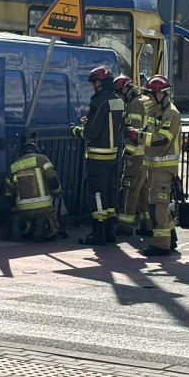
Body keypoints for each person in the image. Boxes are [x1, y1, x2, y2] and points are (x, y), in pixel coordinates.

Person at [71, 65, 123, 245]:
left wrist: (76, 130)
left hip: (97, 157)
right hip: (113, 156)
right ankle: (110, 231)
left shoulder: (98, 102)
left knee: (97, 195)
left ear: (100, 83)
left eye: (94, 82)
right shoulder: (117, 101)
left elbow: (90, 132)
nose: (93, 86)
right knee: (109, 193)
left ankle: (98, 233)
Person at [133, 75, 180, 256]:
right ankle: (170, 238)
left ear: (162, 94)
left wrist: (138, 136)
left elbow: (162, 140)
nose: (149, 98)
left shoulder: (171, 114)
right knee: (158, 204)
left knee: (158, 205)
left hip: (164, 168)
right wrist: (138, 132)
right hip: (154, 166)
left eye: (152, 94)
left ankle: (161, 245)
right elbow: (149, 132)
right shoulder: (154, 111)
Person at [5, 141, 63, 242]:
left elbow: (9, 193)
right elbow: (53, 181)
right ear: (36, 150)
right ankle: (45, 224)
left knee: (28, 226)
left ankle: (23, 225)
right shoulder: (42, 159)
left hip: (23, 209)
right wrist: (57, 192)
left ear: (22, 153)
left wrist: (14, 209)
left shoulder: (13, 166)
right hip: (43, 207)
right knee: (52, 229)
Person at [114, 75, 148, 235]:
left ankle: (124, 225)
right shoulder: (145, 101)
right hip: (148, 156)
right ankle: (147, 224)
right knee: (144, 192)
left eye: (119, 94)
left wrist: (127, 155)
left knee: (130, 190)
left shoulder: (134, 105)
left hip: (136, 157)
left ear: (125, 90)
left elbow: (133, 134)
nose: (120, 98)